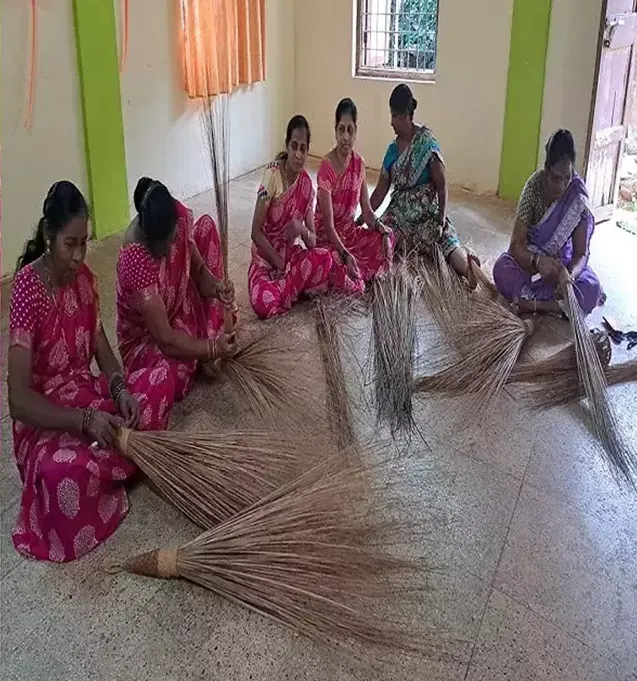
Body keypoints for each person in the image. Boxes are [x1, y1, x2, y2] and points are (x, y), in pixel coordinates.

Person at [7, 181, 157, 562]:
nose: (77, 256)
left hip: (83, 394)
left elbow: (101, 348)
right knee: (64, 479)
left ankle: (112, 460)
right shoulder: (27, 289)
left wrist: (120, 387)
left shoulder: (86, 280)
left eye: (83, 243)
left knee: (147, 395)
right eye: (69, 244)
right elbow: (19, 401)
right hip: (47, 421)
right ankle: (113, 466)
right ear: (48, 235)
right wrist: (84, 420)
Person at [116, 178, 237, 421]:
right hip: (149, 339)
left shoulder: (178, 217)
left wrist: (217, 288)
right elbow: (165, 339)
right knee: (172, 378)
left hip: (178, 310)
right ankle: (207, 344)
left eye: (174, 239)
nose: (172, 250)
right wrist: (212, 349)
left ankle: (204, 344)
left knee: (205, 227)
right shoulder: (134, 257)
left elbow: (199, 271)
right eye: (165, 244)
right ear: (149, 238)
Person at [368, 84, 476, 279]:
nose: (391, 122)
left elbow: (442, 186)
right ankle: (382, 272)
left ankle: (470, 271)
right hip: (399, 215)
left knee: (445, 239)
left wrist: (441, 219)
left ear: (406, 116)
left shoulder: (426, 144)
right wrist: (364, 216)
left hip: (427, 214)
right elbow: (380, 192)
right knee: (382, 236)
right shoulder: (392, 150)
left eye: (394, 116)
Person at [492, 129, 604, 315]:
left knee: (591, 288)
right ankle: (560, 308)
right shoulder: (534, 188)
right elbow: (515, 246)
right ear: (546, 168)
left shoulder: (577, 196)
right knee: (501, 269)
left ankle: (533, 305)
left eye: (567, 177)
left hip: (564, 267)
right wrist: (538, 261)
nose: (561, 186)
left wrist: (568, 276)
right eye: (555, 178)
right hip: (533, 265)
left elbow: (581, 254)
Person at [248, 115, 333, 317]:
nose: (297, 154)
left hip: (289, 256)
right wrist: (279, 263)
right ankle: (290, 288)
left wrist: (300, 228)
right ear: (287, 146)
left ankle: (286, 287)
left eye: (303, 148)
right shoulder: (272, 176)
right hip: (266, 259)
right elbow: (255, 232)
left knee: (325, 258)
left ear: (307, 151)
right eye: (294, 146)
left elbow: (312, 242)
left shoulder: (306, 185)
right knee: (263, 303)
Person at [315, 98, 394, 293]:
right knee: (348, 279)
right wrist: (345, 254)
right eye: (341, 130)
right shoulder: (326, 167)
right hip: (329, 240)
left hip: (349, 234)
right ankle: (354, 271)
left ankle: (361, 268)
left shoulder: (359, 164)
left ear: (356, 131)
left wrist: (380, 227)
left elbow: (367, 211)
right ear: (335, 130)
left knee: (387, 239)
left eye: (350, 130)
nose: (345, 137)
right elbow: (328, 226)